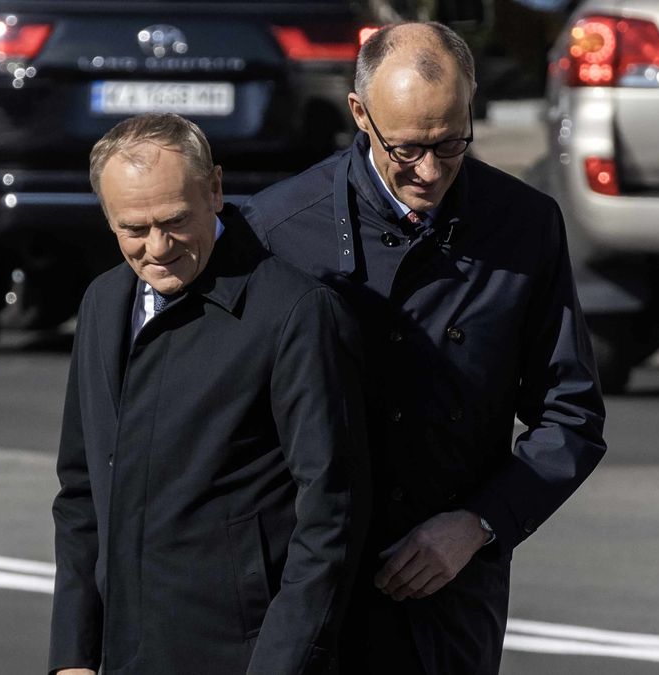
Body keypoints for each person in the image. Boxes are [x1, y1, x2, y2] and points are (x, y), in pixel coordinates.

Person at [242, 22, 607, 674]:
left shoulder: (524, 225)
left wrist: (479, 524)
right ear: (360, 115)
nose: (431, 171)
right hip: (306, 595)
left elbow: (571, 415)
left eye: (451, 142)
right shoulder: (278, 232)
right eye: (407, 149)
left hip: (449, 596)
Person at [49, 113, 369, 675]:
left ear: (216, 190)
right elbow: (81, 494)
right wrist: (73, 654)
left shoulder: (293, 314)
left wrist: (281, 665)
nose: (158, 248)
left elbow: (331, 515)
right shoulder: (102, 305)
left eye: (175, 221)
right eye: (133, 229)